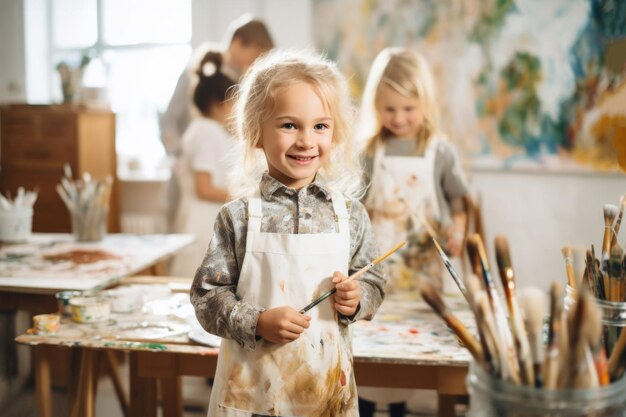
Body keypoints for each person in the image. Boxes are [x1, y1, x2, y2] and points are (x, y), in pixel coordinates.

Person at [190, 49, 386, 416]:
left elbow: (374, 279)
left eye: (320, 126)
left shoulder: (352, 215)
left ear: (336, 133)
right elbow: (206, 298)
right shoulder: (237, 218)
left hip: (326, 393)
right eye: (289, 125)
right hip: (253, 396)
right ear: (256, 132)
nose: (306, 140)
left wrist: (357, 299)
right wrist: (257, 321)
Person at [360, 46, 469, 294]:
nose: (399, 118)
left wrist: (458, 230)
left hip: (429, 270)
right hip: (379, 270)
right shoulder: (369, 152)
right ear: (376, 104)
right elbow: (359, 209)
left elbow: (458, 203)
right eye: (389, 109)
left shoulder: (440, 151)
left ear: (425, 102)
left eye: (408, 109)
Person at [160, 15, 274, 228]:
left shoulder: (241, 80)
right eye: (255, 56)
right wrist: (180, 157)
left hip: (217, 178)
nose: (254, 64)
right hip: (192, 173)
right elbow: (169, 121)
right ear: (239, 42)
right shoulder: (201, 70)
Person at [169, 50, 236, 277]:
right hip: (202, 222)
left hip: (203, 219)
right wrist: (243, 195)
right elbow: (204, 187)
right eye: (234, 102)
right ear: (221, 103)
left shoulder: (205, 129)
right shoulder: (207, 131)